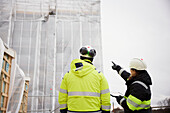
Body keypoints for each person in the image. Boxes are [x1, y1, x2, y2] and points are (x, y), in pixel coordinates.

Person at [59, 45, 111, 113]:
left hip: (72, 110)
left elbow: (62, 95)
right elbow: (105, 97)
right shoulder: (99, 75)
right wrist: (106, 111)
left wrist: (63, 110)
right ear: (92, 59)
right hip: (94, 111)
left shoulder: (68, 75)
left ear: (80, 57)